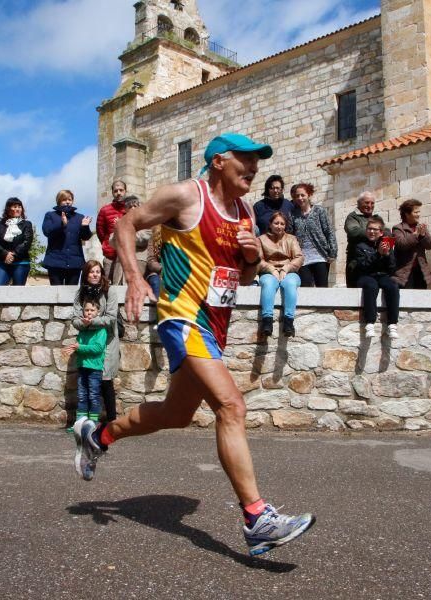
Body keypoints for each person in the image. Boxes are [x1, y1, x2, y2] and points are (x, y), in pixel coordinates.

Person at [73, 132, 315, 557]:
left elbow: (239, 279)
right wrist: (132, 278)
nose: (255, 168)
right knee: (231, 406)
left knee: (176, 414)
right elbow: (125, 225)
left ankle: (98, 438)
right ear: (220, 161)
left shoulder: (244, 214)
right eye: (247, 159)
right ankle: (257, 518)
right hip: (181, 316)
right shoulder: (186, 196)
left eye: (258, 161)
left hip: (215, 325)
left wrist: (248, 256)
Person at [71, 260, 121, 429]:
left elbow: (111, 318)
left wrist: (89, 322)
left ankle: (112, 421)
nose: (95, 274)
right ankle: (88, 422)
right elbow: (75, 320)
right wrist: (83, 323)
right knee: (86, 384)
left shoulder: (110, 291)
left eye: (98, 271)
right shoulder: (80, 293)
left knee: (106, 380)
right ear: (86, 274)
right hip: (88, 342)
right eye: (91, 272)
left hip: (106, 341)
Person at [63, 299, 109, 429]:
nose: (89, 313)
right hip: (82, 366)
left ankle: (93, 423)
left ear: (98, 312)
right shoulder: (83, 329)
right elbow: (79, 345)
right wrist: (74, 348)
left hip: (95, 368)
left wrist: (79, 347)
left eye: (92, 310)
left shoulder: (101, 330)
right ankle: (80, 423)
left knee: (94, 395)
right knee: (82, 396)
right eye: (87, 310)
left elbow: (97, 348)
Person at [351, 216, 399, 338]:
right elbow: (364, 266)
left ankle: (392, 323)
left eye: (375, 230)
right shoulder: (360, 246)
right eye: (369, 229)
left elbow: (392, 268)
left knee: (392, 286)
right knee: (371, 285)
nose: (371, 232)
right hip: (365, 275)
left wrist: (387, 255)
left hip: (382, 275)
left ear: (381, 232)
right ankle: (370, 322)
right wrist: (378, 254)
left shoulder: (386, 244)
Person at [257, 211, 303, 337]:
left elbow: (299, 257)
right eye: (276, 223)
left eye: (282, 224)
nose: (279, 226)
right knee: (268, 284)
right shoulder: (261, 239)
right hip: (268, 271)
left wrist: (286, 268)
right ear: (270, 224)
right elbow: (258, 260)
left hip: (289, 271)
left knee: (290, 284)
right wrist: (271, 269)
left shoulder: (291, 239)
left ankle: (289, 322)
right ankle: (267, 321)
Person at [41, 190, 93, 285]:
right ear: (59, 201)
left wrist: (85, 226)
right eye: (64, 199)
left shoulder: (79, 217)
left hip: (75, 262)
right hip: (55, 261)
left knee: (71, 295)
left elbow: (85, 237)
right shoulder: (50, 215)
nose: (68, 202)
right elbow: (47, 231)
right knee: (56, 294)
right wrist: (62, 225)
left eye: (70, 199)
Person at [290, 183, 336, 287]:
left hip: (320, 257)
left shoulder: (319, 211)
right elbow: (290, 235)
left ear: (309, 195)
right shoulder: (293, 215)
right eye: (297, 196)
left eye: (302, 195)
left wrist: (332, 252)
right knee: (305, 288)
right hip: (302, 259)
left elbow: (329, 231)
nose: (300, 198)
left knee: (322, 288)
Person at [344, 191, 386, 288]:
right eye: (366, 203)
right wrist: (375, 232)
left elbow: (386, 231)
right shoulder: (352, 217)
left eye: (372, 203)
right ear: (359, 203)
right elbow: (353, 231)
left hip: (375, 261)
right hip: (356, 264)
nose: (370, 205)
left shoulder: (377, 217)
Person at [392, 199, 431, 289]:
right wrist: (415, 235)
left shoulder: (420, 227)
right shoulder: (398, 228)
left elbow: (430, 245)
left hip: (421, 270)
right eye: (416, 212)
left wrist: (423, 235)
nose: (418, 214)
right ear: (407, 214)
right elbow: (401, 244)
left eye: (419, 212)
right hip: (405, 272)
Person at [0, 198, 34, 286]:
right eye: (14, 207)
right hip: (4, 262)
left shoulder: (27, 224)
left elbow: (27, 241)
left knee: (18, 292)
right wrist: (5, 254)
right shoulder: (0, 225)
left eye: (19, 207)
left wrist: (14, 254)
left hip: (21, 262)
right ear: (8, 209)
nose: (17, 209)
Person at [96, 180, 128, 284]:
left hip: (127, 256)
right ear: (112, 193)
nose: (118, 193)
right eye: (115, 191)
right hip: (110, 256)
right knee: (107, 287)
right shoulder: (104, 211)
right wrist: (107, 245)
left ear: (125, 191)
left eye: (121, 190)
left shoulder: (131, 209)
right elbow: (100, 231)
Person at [144, 226, 163, 298]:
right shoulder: (154, 237)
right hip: (157, 273)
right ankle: (159, 307)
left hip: (175, 272)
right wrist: (162, 267)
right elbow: (151, 260)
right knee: (155, 281)